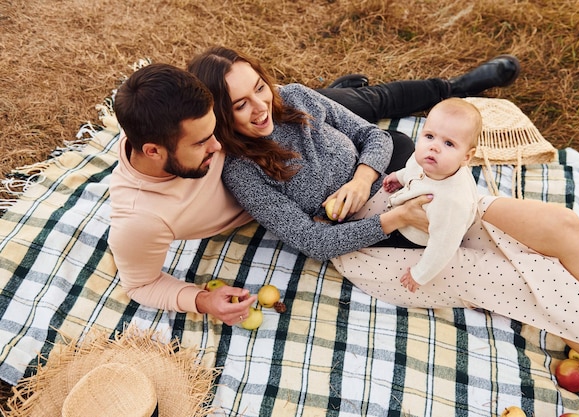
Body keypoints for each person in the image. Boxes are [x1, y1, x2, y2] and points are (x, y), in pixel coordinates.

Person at [187, 46, 579, 376]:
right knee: (525, 281)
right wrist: (394, 219)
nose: (260, 105)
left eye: (258, 88)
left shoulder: (298, 98)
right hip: (371, 248)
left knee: (559, 225)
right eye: (240, 104)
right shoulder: (241, 172)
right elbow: (312, 241)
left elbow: (375, 137)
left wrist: (362, 179)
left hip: (410, 186)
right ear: (220, 114)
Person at [109, 53, 519, 324]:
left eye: (212, 131)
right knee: (359, 110)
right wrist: (200, 300)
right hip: (271, 153)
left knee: (373, 102)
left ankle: (454, 86)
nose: (216, 148)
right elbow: (140, 284)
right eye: (202, 142)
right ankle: (345, 94)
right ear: (154, 150)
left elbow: (371, 138)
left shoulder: (232, 112)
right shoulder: (140, 218)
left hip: (293, 126)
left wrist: (357, 171)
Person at [380, 98, 481, 292]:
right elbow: (411, 169)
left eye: (449, 143)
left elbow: (443, 246)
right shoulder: (427, 158)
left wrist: (420, 274)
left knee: (370, 242)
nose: (434, 146)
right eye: (429, 136)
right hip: (406, 207)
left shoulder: (451, 202)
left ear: (467, 157)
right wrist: (399, 177)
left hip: (415, 236)